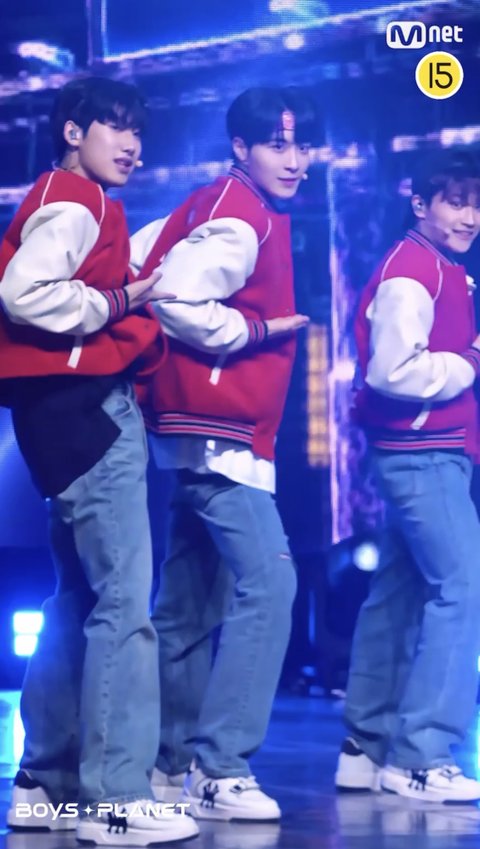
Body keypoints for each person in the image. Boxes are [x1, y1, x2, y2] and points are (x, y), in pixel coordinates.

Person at [1, 76, 198, 845]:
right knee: (124, 603)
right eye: (115, 127)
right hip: (89, 415)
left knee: (77, 600)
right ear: (73, 132)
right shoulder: (76, 202)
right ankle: (116, 797)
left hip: (55, 421)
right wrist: (118, 304)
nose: (132, 144)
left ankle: (42, 783)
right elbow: (23, 293)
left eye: (137, 131)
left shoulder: (65, 199)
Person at [129, 86, 318, 820]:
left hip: (195, 428)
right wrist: (255, 331)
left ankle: (166, 765)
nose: (294, 160)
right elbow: (172, 296)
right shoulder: (241, 216)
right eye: (277, 144)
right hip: (218, 431)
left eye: (301, 144)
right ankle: (220, 768)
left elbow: (141, 259)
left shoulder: (215, 202)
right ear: (242, 147)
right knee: (270, 583)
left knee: (186, 605)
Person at [335, 148, 480, 802]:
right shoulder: (412, 270)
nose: (469, 217)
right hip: (422, 450)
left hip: (425, 449)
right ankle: (421, 754)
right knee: (463, 587)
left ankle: (364, 750)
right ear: (420, 204)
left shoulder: (440, 266)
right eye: (455, 202)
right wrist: (469, 361)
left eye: (476, 204)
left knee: (398, 593)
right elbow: (391, 371)